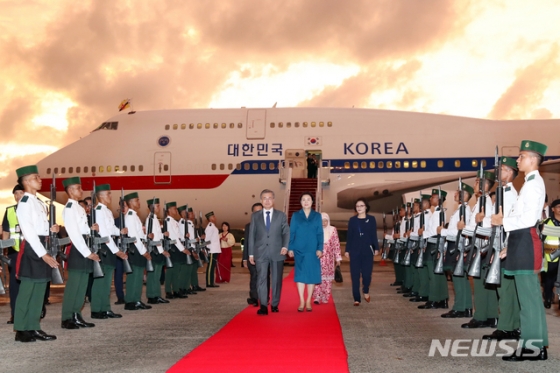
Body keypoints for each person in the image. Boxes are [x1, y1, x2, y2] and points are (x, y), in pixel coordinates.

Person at [492, 140, 549, 361]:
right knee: (529, 299)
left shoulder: (534, 184)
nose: (518, 160)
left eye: (522, 156)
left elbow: (528, 219)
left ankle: (532, 348)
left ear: (533, 159)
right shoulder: (529, 183)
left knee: (528, 300)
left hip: (526, 241)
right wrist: (509, 244)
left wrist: (502, 220)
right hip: (520, 241)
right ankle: (538, 346)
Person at [13, 165, 59, 342]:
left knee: (40, 289)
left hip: (41, 244)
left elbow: (39, 227)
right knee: (28, 290)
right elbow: (29, 231)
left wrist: (51, 228)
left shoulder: (37, 202)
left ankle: (33, 326)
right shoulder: (24, 203)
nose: (40, 180)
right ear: (25, 181)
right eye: (36, 178)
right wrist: (43, 254)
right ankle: (21, 329)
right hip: (34, 248)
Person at [482, 156, 520, 341]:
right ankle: (509, 325)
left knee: (506, 289)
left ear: (512, 172)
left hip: (506, 245)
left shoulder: (510, 195)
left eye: (503, 169)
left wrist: (505, 248)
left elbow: (512, 224)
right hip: (500, 244)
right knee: (502, 288)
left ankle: (507, 327)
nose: (499, 172)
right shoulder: (502, 193)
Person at [60, 176, 100, 329]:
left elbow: (82, 230)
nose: (81, 190)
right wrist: (86, 252)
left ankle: (76, 314)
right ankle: (67, 317)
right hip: (78, 249)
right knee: (74, 285)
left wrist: (91, 229)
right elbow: (74, 233)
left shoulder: (78, 207)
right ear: (70, 190)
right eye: (78, 188)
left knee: (82, 285)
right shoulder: (70, 208)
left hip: (84, 245)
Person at [461, 171, 498, 328]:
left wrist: (468, 228)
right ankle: (490, 316)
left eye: (477, 182)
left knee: (481, 284)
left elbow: (487, 226)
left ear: (485, 185)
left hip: (482, 246)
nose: (475, 185)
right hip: (481, 246)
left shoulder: (485, 202)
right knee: (486, 283)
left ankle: (481, 316)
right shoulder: (481, 202)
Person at [248, 189, 290, 315]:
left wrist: (285, 246)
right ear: (261, 200)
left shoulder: (281, 215)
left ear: (273, 200)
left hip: (277, 252)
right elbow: (251, 235)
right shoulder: (255, 216)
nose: (267, 200)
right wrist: (251, 253)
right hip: (260, 252)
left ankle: (275, 304)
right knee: (261, 278)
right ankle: (264, 306)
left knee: (277, 279)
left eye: (270, 198)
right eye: (265, 198)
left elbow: (286, 232)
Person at [91, 183, 127, 320]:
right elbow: (105, 233)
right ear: (100, 196)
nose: (111, 196)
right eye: (108, 194)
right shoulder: (99, 210)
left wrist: (120, 231)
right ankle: (96, 309)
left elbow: (110, 229)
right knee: (101, 280)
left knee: (106, 281)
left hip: (108, 246)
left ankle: (105, 308)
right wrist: (116, 251)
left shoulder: (106, 210)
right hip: (104, 247)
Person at [439, 182, 473, 318]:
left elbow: (458, 231)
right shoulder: (460, 209)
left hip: (458, 244)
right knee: (459, 278)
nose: (455, 194)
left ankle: (461, 308)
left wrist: (443, 231)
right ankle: (465, 307)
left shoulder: (464, 210)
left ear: (465, 195)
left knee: (459, 278)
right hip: (455, 244)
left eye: (458, 192)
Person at [288, 193, 323, 312]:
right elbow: (291, 232)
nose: (306, 201)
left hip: (313, 249)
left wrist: (320, 248)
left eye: (308, 199)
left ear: (312, 202)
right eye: (303, 199)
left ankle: (308, 300)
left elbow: (320, 233)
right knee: (301, 275)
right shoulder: (296, 215)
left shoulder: (317, 216)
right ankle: (302, 300)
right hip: (299, 249)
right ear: (301, 202)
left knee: (311, 275)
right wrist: (290, 248)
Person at [345, 198, 379, 306]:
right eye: (357, 206)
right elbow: (349, 236)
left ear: (366, 207)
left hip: (367, 250)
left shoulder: (372, 219)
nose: (359, 208)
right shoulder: (352, 220)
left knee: (367, 274)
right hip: (355, 250)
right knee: (354, 275)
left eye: (361, 206)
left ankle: (366, 290)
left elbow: (374, 235)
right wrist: (347, 250)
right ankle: (356, 298)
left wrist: (376, 248)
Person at [418, 189, 448, 310]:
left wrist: (423, 233)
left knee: (433, 274)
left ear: (439, 199)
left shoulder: (438, 212)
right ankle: (442, 299)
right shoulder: (436, 212)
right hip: (432, 242)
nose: (431, 199)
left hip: (434, 243)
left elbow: (435, 230)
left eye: (433, 197)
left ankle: (435, 299)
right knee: (437, 273)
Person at [123, 192, 152, 310]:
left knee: (138, 275)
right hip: (136, 248)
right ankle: (131, 301)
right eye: (136, 200)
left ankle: (136, 300)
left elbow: (140, 234)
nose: (139, 203)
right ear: (130, 203)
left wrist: (146, 237)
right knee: (134, 275)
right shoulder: (130, 215)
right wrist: (143, 251)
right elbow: (134, 237)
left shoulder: (134, 215)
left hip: (139, 246)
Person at [2, 184, 25, 324]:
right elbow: (5, 232)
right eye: (15, 193)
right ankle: (15, 314)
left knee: (29, 283)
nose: (18, 196)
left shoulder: (34, 208)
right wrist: (3, 251)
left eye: (21, 192)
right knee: (15, 284)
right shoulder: (10, 211)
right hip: (14, 253)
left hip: (29, 251)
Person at [312, 212, 342, 304]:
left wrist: (338, 258)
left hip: (328, 259)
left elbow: (336, 244)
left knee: (327, 279)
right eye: (321, 221)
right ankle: (317, 296)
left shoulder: (332, 230)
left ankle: (325, 296)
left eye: (325, 221)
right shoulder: (315, 230)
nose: (323, 223)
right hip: (317, 258)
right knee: (317, 277)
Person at [145, 198, 170, 304]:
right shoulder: (150, 219)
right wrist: (162, 250)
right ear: (151, 207)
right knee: (153, 275)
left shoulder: (154, 218)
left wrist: (163, 234)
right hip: (155, 249)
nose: (159, 207)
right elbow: (154, 238)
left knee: (157, 274)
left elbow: (157, 235)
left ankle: (156, 295)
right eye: (157, 205)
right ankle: (152, 296)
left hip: (157, 248)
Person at [163, 202, 189, 299]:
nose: (176, 210)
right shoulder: (168, 221)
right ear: (169, 210)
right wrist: (183, 249)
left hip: (177, 247)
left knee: (176, 270)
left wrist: (184, 237)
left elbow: (177, 235)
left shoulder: (174, 221)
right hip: (173, 247)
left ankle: (176, 290)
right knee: (171, 270)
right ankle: (168, 291)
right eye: (174, 209)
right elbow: (173, 236)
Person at [243, 203, 263, 306]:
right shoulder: (249, 226)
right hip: (252, 257)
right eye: (256, 211)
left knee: (264, 277)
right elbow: (246, 242)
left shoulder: (269, 225)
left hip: (264, 256)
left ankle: (264, 297)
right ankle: (254, 298)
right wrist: (244, 258)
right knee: (254, 277)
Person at [542, 199, 560, 309]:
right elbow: (541, 240)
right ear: (552, 209)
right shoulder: (547, 222)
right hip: (551, 256)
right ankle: (548, 297)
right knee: (549, 280)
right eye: (558, 207)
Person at [187, 208, 205, 292]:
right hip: (190, 249)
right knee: (189, 269)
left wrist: (200, 240)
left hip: (195, 248)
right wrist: (193, 249)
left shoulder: (192, 224)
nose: (193, 214)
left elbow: (196, 237)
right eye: (191, 213)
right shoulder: (186, 224)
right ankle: (188, 286)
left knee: (194, 268)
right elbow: (188, 238)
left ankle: (195, 285)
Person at [204, 211, 221, 288]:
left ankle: (211, 282)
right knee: (210, 267)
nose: (215, 218)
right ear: (210, 219)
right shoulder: (210, 226)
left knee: (212, 266)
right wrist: (207, 250)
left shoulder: (213, 226)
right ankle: (209, 283)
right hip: (211, 250)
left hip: (215, 249)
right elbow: (207, 239)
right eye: (213, 217)